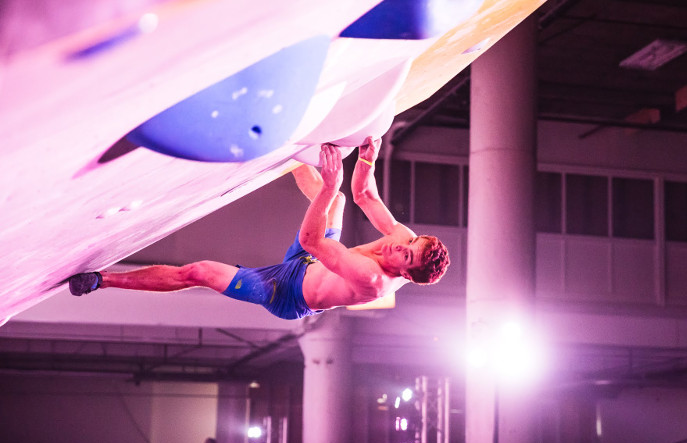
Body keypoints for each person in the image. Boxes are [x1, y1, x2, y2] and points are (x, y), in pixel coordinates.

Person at [67, 139, 450, 320]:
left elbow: (311, 241)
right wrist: (368, 157)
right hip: (313, 262)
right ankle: (286, 139)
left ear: (404, 273)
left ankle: (102, 281)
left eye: (405, 254)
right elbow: (365, 194)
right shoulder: (404, 240)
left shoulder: (374, 281)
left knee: (199, 272)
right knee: (340, 201)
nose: (399, 245)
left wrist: (329, 185)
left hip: (286, 292)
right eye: (410, 241)